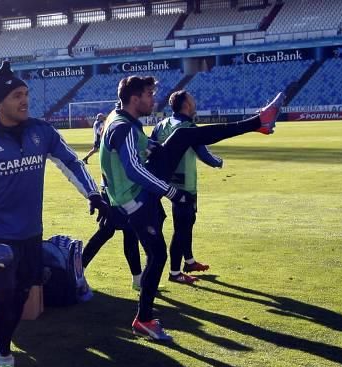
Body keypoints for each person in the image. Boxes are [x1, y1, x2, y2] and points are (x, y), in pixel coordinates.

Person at [98, 75, 283, 342]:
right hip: (137, 200)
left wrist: (156, 148)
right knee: (157, 256)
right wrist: (171, 192)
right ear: (135, 98)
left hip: (133, 197)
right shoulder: (123, 128)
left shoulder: (121, 122)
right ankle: (144, 320)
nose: (154, 99)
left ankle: (259, 123)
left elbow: (137, 152)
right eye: (149, 94)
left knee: (184, 134)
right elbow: (134, 170)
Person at [0, 61, 107, 367]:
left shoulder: (40, 131)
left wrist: (94, 194)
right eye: (17, 95)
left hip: (31, 234)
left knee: (21, 295)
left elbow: (70, 161)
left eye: (26, 94)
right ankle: (4, 357)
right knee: (2, 299)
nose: (24, 100)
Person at [152, 90, 223, 285]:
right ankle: (175, 272)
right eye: (192, 100)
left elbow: (153, 151)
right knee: (182, 227)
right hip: (186, 186)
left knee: (186, 224)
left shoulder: (160, 126)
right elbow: (204, 155)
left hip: (166, 183)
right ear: (186, 106)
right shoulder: (188, 127)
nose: (195, 103)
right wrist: (219, 162)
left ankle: (189, 261)